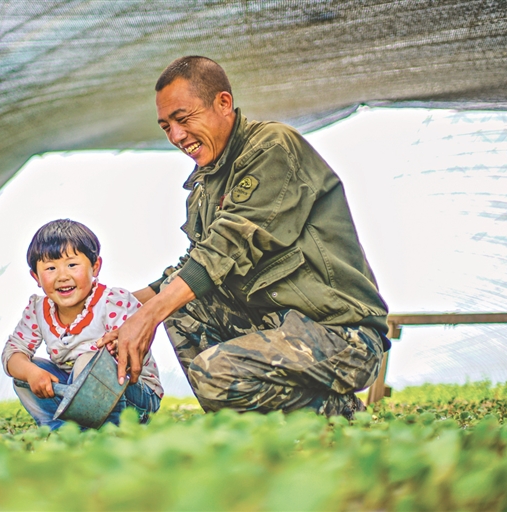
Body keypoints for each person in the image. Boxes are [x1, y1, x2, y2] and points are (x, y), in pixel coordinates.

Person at [99, 56, 391, 419]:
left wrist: (146, 319)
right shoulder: (206, 183)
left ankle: (339, 412)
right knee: (182, 304)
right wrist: (111, 304)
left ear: (223, 103)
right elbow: (192, 267)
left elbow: (225, 248)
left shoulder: (272, 148)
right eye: (165, 126)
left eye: (183, 118)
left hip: (342, 336)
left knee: (210, 370)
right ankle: (249, 421)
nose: (176, 136)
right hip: (279, 325)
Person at [2, 219, 162, 430]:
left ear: (95, 267)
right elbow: (13, 351)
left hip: (134, 394)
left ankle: (109, 429)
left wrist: (104, 357)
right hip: (74, 389)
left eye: (72, 265)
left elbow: (129, 354)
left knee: (88, 362)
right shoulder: (38, 309)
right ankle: (58, 428)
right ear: (36, 277)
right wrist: (31, 373)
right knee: (23, 376)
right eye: (50, 268)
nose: (62, 276)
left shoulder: (113, 302)